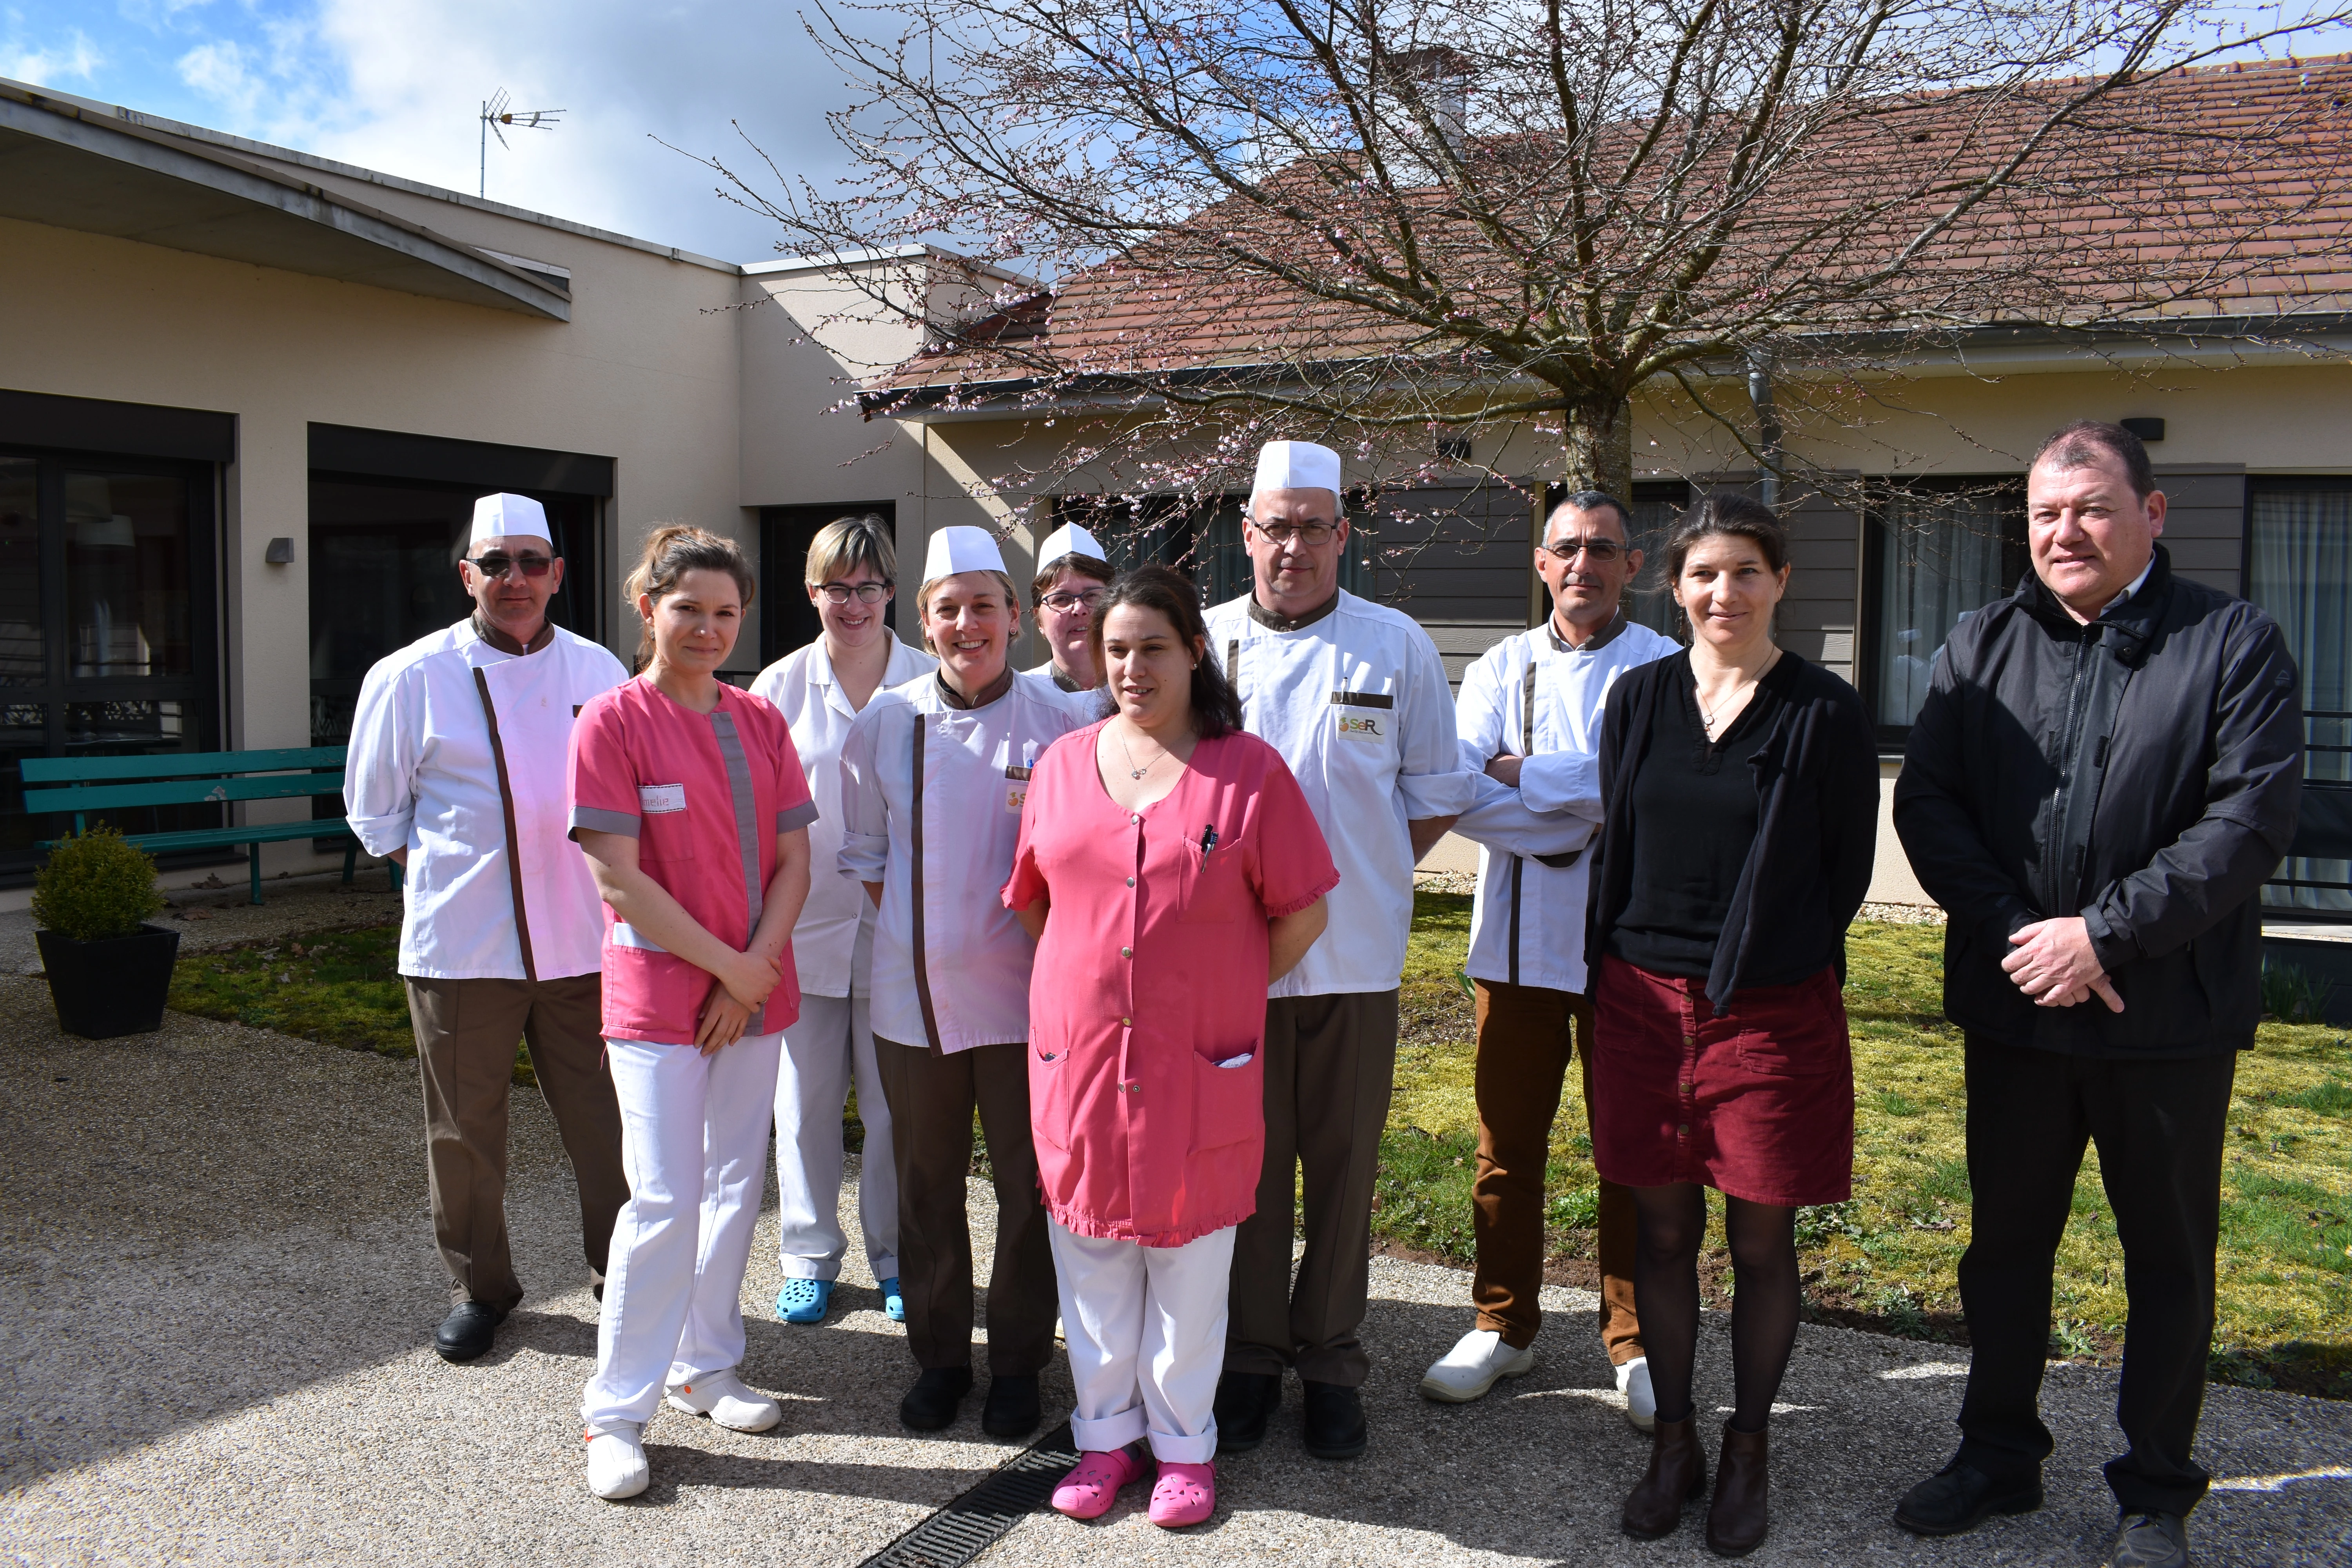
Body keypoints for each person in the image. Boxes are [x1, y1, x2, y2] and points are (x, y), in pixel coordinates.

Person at [1890, 423, 2302, 1568]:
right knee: (2003, 1247)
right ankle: (1995, 1455)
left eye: (2087, 508)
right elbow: (1927, 805)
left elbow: (2246, 821)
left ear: (2150, 516)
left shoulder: (2230, 643)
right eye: (2040, 514)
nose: (2060, 532)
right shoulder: (1977, 643)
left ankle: (2154, 1488)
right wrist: (2025, 936)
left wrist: (2103, 938)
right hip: (2015, 1006)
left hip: (2163, 1019)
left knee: (2164, 1257)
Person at [1005, 565, 1339, 1528]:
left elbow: (1302, 914)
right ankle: (1106, 1440)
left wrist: (1211, 987)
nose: (1133, 666)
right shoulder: (1064, 764)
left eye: (1153, 646)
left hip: (1200, 1064)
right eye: (1116, 649)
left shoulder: (1249, 771)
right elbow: (1036, 903)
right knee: (1093, 1261)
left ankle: (1185, 1448)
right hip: (1079, 1065)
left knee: (1191, 1265)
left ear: (1196, 649)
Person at [1586, 492, 1879, 1556]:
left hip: (1769, 1012)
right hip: (1636, 1005)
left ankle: (1747, 1445)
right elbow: (1620, 840)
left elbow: (1846, 870)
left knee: (1761, 1239)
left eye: (1746, 572)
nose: (1725, 593)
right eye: (1705, 574)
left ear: (1781, 582)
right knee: (1660, 1234)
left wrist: (1771, 956)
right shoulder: (1638, 698)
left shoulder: (1822, 710)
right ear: (1674, 584)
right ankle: (1674, 1440)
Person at [1205, 440, 1475, 1461]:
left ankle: (1331, 1363)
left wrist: (1364, 872)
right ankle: (1249, 1359)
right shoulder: (1207, 643)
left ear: (1342, 536)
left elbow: (1436, 792)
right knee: (1252, 1170)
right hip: (1235, 966)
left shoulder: (1394, 644)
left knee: (1344, 1168)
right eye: (1276, 526)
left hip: (1356, 959)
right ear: (1248, 535)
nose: (1295, 546)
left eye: (1315, 526)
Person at [343, 491, 630, 1365]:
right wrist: (460, 879)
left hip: (586, 941)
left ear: (558, 575)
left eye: (531, 562)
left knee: (609, 1120)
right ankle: (481, 1287)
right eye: (495, 562)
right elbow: (376, 813)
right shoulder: (408, 675)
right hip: (462, 948)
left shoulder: (600, 670)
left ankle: (624, 1273)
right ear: (467, 573)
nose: (515, 579)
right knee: (465, 1130)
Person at [567, 525, 817, 1501]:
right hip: (661, 998)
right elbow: (618, 881)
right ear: (648, 608)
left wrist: (751, 973)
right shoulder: (612, 722)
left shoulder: (759, 721)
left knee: (731, 1188)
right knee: (665, 1196)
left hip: (752, 989)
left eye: (725, 612)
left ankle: (706, 1363)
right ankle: (615, 1410)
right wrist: (728, 971)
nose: (708, 628)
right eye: (688, 610)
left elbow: (796, 859)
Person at [1423, 492, 1679, 1424]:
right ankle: (1504, 1324)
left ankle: (1637, 1338)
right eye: (1568, 547)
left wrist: (1524, 772)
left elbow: (1651, 790)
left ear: (1633, 563)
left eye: (1603, 548)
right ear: (1542, 563)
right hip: (1515, 951)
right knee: (1505, 1147)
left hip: (1628, 948)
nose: (1585, 563)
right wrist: (1588, 795)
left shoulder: (1664, 668)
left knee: (1633, 1149)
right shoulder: (1500, 664)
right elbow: (1458, 789)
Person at [838, 524, 1094, 1439]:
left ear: (1016, 619)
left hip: (1032, 1003)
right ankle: (941, 1358)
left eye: (984, 604)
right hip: (914, 1004)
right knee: (926, 1184)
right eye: (948, 608)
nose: (967, 623)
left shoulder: (1065, 723)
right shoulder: (886, 720)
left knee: (1031, 1189)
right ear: (926, 622)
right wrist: (924, 936)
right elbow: (867, 852)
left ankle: (1021, 1361)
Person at [750, 515, 935, 1328]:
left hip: (902, 934)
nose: (852, 602)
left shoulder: (932, 681)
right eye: (836, 586)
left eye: (867, 586)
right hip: (800, 931)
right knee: (805, 1103)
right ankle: (808, 1256)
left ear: (891, 590)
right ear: (811, 590)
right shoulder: (776, 690)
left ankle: (894, 1254)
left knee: (895, 1110)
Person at [1027, 520, 1116, 692]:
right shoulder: (1018, 699)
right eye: (1062, 599)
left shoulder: (1143, 689)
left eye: (1092, 596)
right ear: (1039, 620)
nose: (1079, 609)